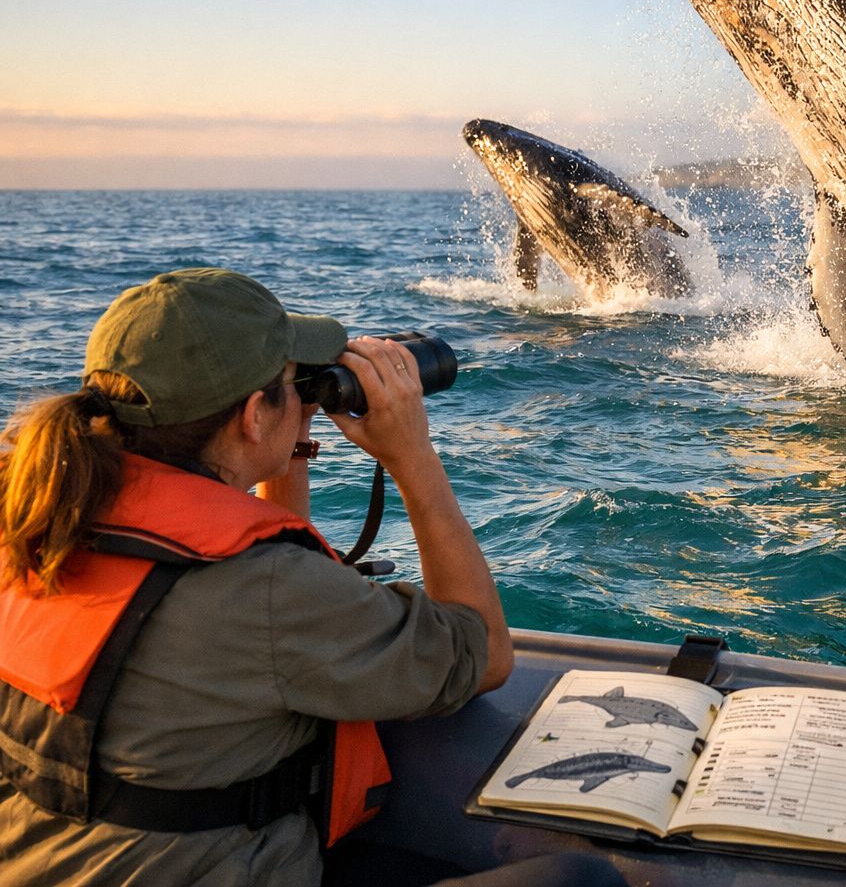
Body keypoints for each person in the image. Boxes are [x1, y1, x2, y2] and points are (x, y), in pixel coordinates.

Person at [0, 268, 523, 884]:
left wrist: (289, 435)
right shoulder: (269, 591)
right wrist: (412, 454)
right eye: (290, 385)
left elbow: (253, 545)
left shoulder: (37, 516)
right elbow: (484, 654)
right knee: (578, 877)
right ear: (253, 415)